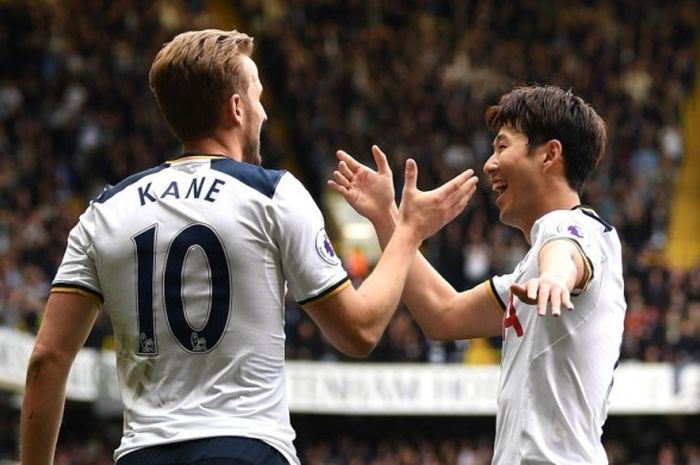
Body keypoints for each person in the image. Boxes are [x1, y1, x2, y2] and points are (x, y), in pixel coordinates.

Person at [20, 29, 479, 465]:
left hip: (146, 452)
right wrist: (407, 232)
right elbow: (359, 331)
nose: (266, 112)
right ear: (237, 108)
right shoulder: (272, 194)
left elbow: (47, 360)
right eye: (258, 97)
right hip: (248, 448)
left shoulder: (104, 211)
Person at [329, 85, 626, 464]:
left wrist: (555, 279)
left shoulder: (580, 231)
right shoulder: (528, 270)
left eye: (503, 146)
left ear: (550, 155)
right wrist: (387, 218)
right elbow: (442, 314)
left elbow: (566, 254)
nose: (489, 163)